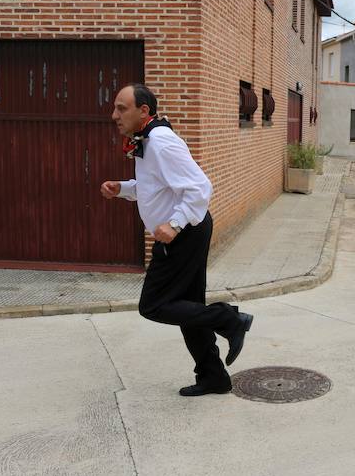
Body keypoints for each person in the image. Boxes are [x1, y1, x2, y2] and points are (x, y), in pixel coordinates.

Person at [101, 84, 253, 397]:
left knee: (154, 305)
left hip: (184, 232)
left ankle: (228, 319)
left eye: (121, 108)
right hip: (188, 230)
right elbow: (158, 186)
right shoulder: (146, 139)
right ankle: (213, 376)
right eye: (115, 108)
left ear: (143, 111)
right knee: (187, 308)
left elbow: (199, 187)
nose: (114, 115)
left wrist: (174, 224)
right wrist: (125, 188)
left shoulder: (160, 141)